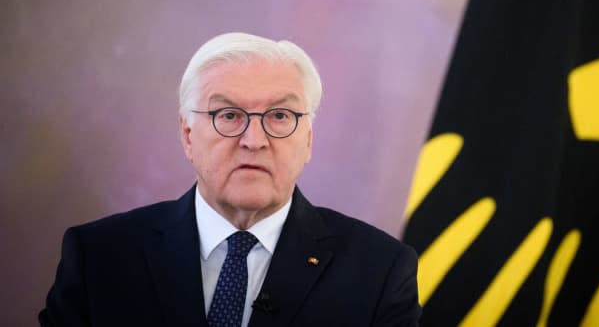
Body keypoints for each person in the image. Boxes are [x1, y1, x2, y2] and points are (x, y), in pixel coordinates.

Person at [40, 32, 422, 326]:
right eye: (228, 115)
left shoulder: (380, 271)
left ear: (307, 140)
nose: (254, 141)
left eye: (279, 116)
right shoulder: (100, 257)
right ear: (188, 135)